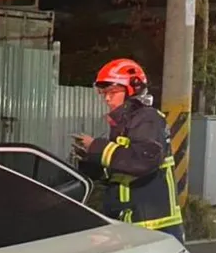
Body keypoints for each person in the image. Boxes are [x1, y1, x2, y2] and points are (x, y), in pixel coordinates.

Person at [72, 58, 184, 241]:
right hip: (133, 223)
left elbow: (143, 160)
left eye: (113, 92)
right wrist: (90, 158)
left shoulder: (147, 119)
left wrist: (98, 147)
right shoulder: (126, 123)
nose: (107, 98)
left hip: (154, 226)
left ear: (133, 89)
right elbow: (119, 168)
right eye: (103, 93)